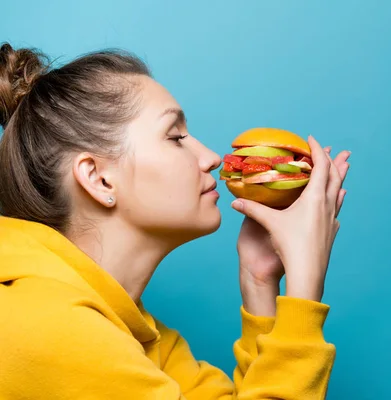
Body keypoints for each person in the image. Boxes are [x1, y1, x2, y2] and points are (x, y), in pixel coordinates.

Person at [0, 42, 351, 399]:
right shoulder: (53, 327)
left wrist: (260, 281)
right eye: (176, 137)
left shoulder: (139, 333)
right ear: (98, 178)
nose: (212, 158)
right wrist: (304, 288)